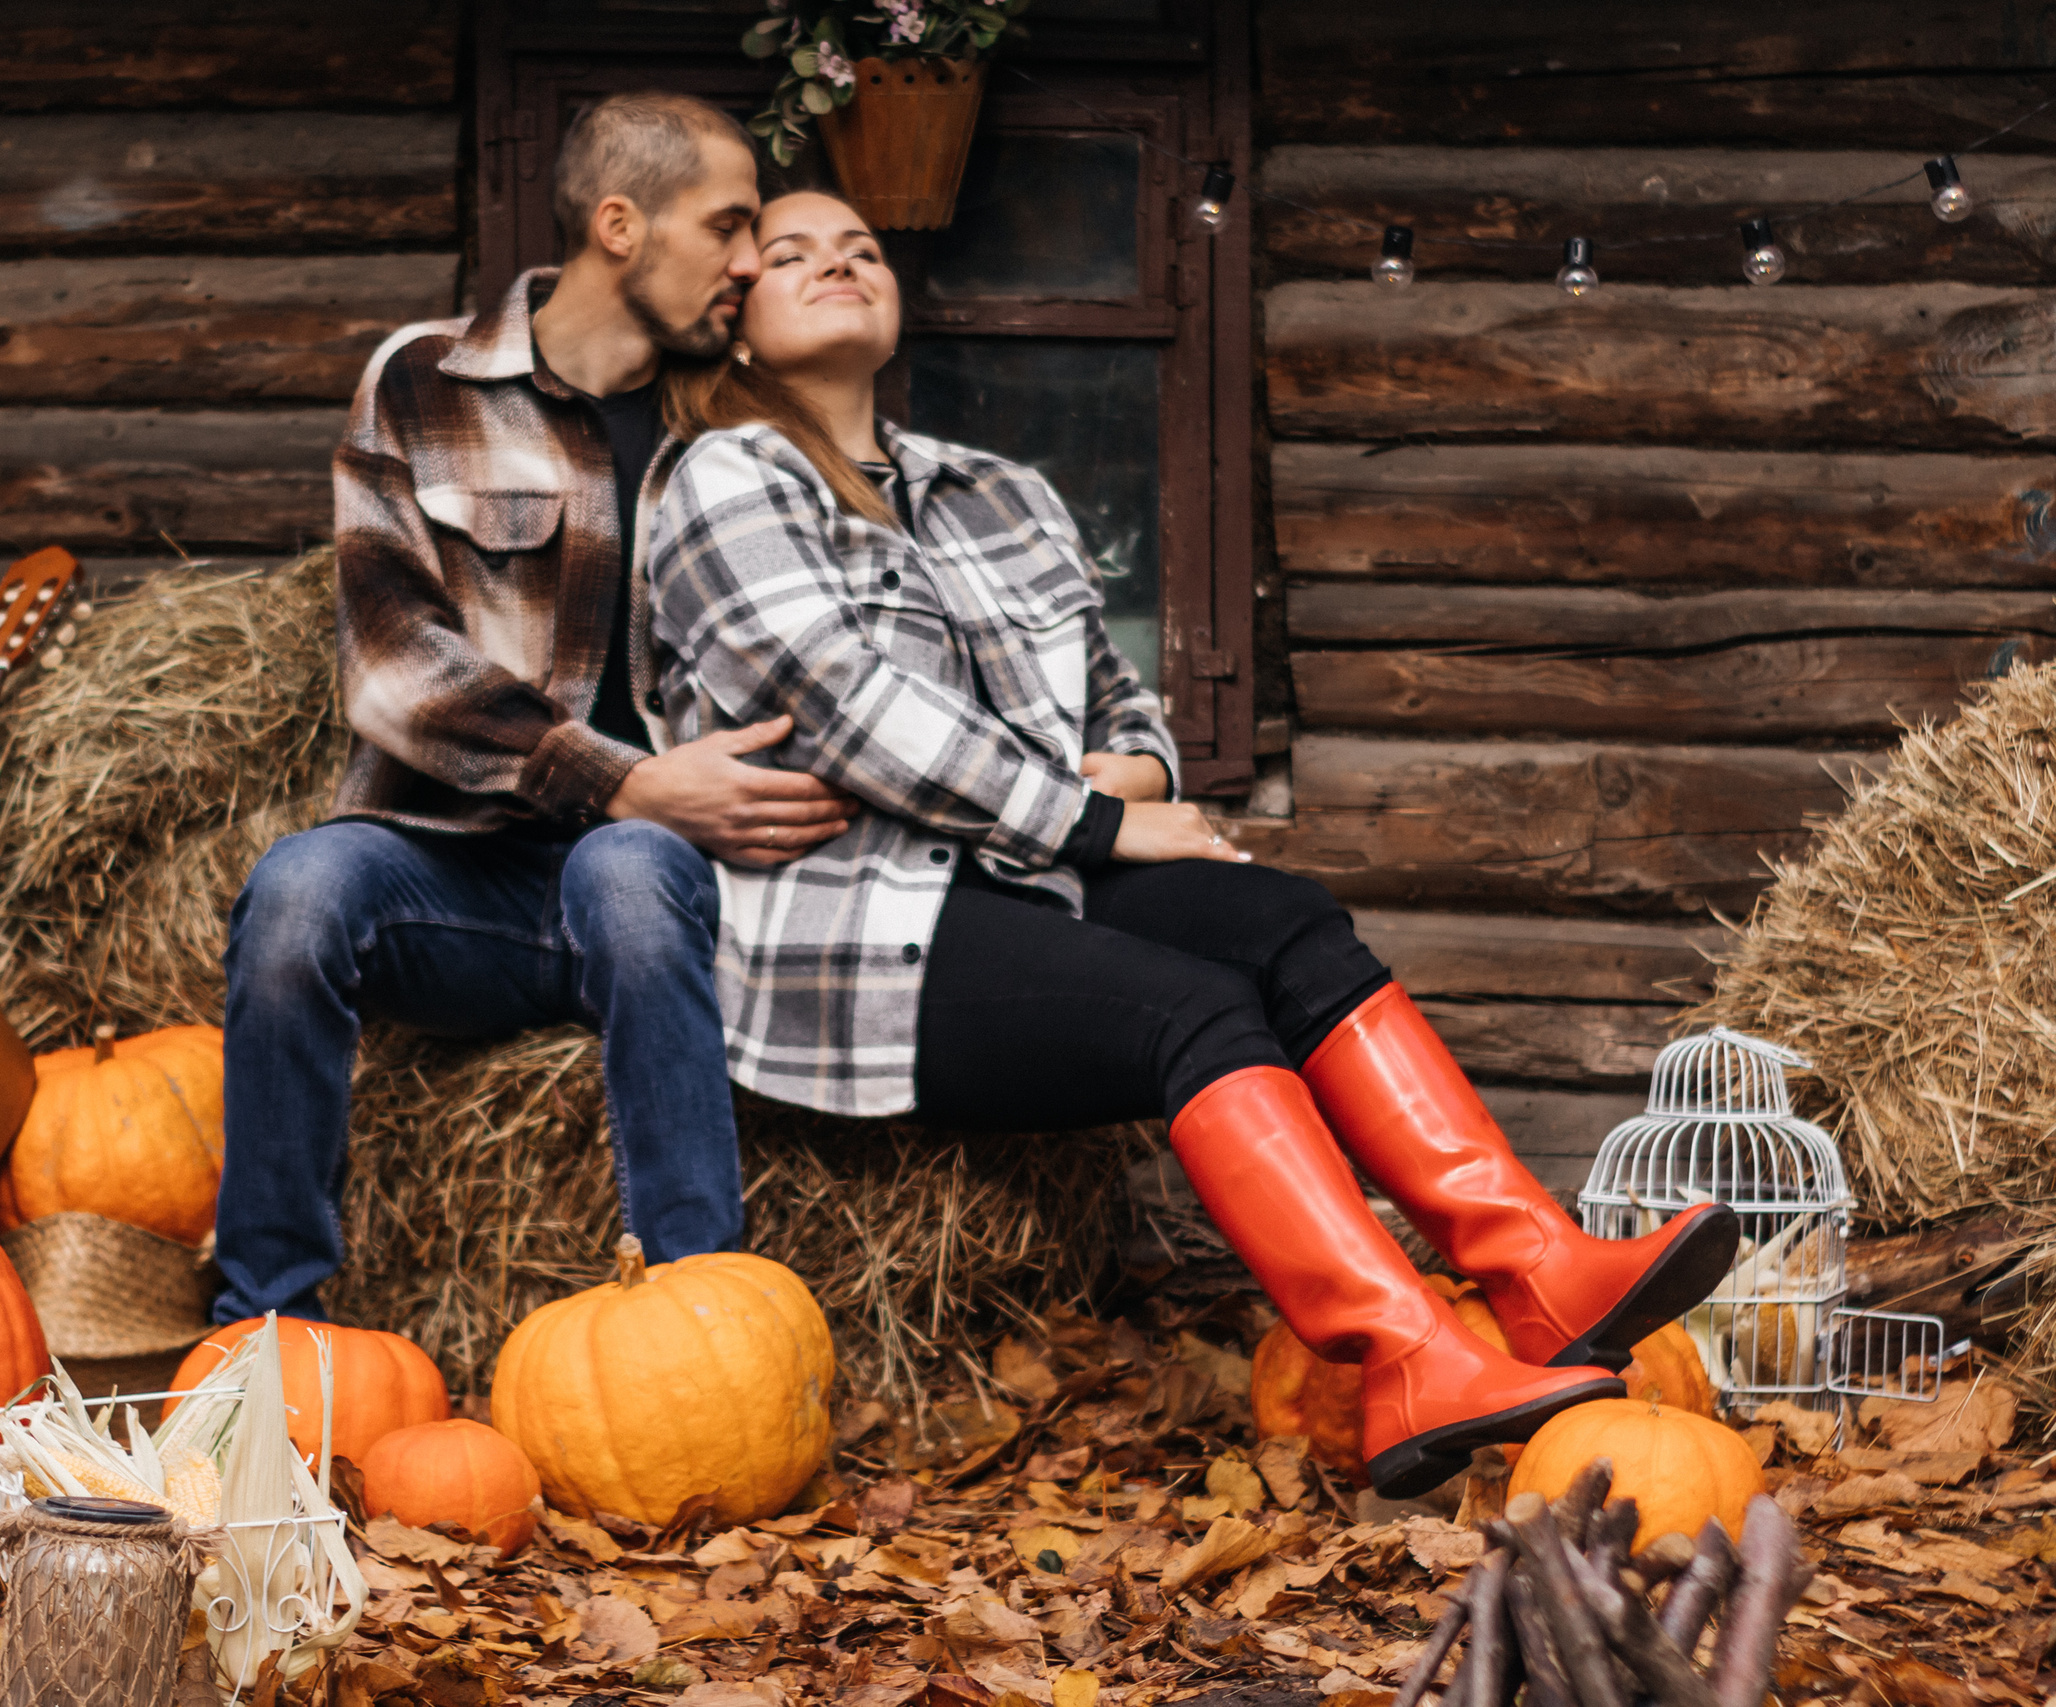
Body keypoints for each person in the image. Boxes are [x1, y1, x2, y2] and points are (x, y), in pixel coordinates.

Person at [644, 190, 1740, 1498]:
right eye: (794, 255)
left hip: (1037, 878)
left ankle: (1535, 1266)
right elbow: (848, 711)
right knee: (1194, 1007)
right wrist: (1095, 812)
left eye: (864, 250)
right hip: (863, 921)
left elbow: (1119, 695)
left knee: (1282, 918)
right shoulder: (721, 478)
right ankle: (1401, 1351)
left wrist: (1148, 764)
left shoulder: (999, 491)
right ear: (739, 324)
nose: (839, 263)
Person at [211, 95, 867, 1323]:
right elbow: (395, 667)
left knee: (624, 871)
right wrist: (617, 777)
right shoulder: (425, 379)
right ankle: (262, 1331)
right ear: (620, 224)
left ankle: (702, 1313)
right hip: (448, 876)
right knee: (300, 889)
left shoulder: (738, 410)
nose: (747, 261)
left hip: (670, 889)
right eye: (729, 226)